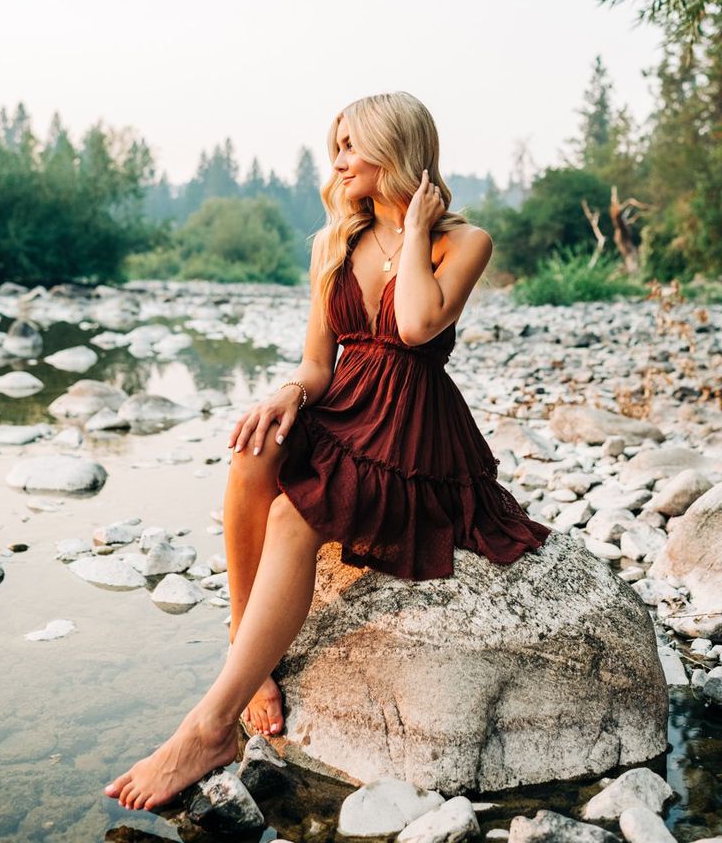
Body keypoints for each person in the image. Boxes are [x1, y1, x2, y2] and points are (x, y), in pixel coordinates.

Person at [104, 91, 552, 812]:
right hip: (343, 407)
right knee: (256, 451)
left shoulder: (462, 242)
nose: (338, 160)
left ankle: (208, 727)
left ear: (398, 147)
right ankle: (245, 659)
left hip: (411, 431)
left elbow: (413, 327)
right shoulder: (331, 243)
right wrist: (287, 392)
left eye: (352, 145)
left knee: (292, 519)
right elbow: (319, 363)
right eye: (335, 145)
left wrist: (412, 232)